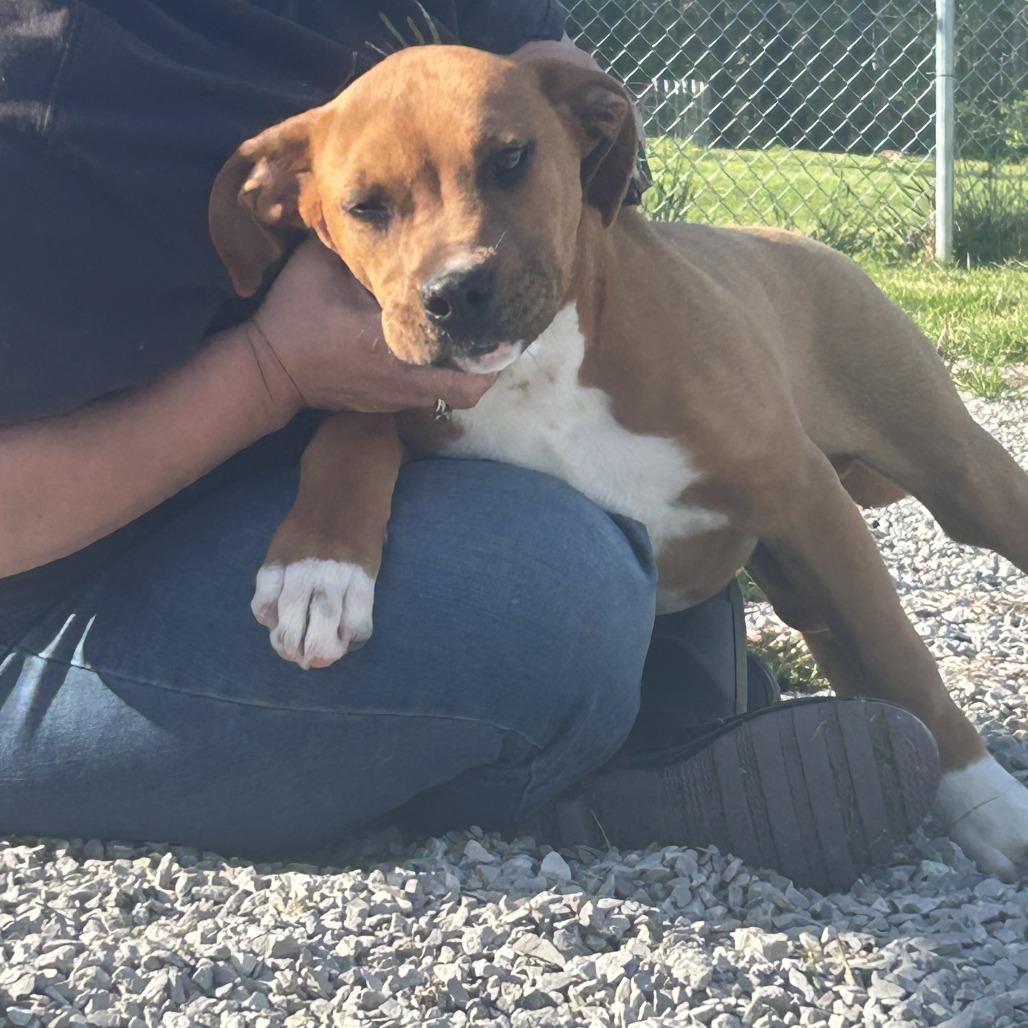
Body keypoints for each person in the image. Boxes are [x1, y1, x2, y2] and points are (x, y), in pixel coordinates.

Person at [0, 0, 938, 892]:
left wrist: (572, 116)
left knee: (594, 515)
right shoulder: (56, 76)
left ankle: (639, 683)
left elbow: (573, 140)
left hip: (290, 483)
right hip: (47, 591)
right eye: (371, 208)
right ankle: (584, 763)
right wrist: (269, 372)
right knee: (547, 594)